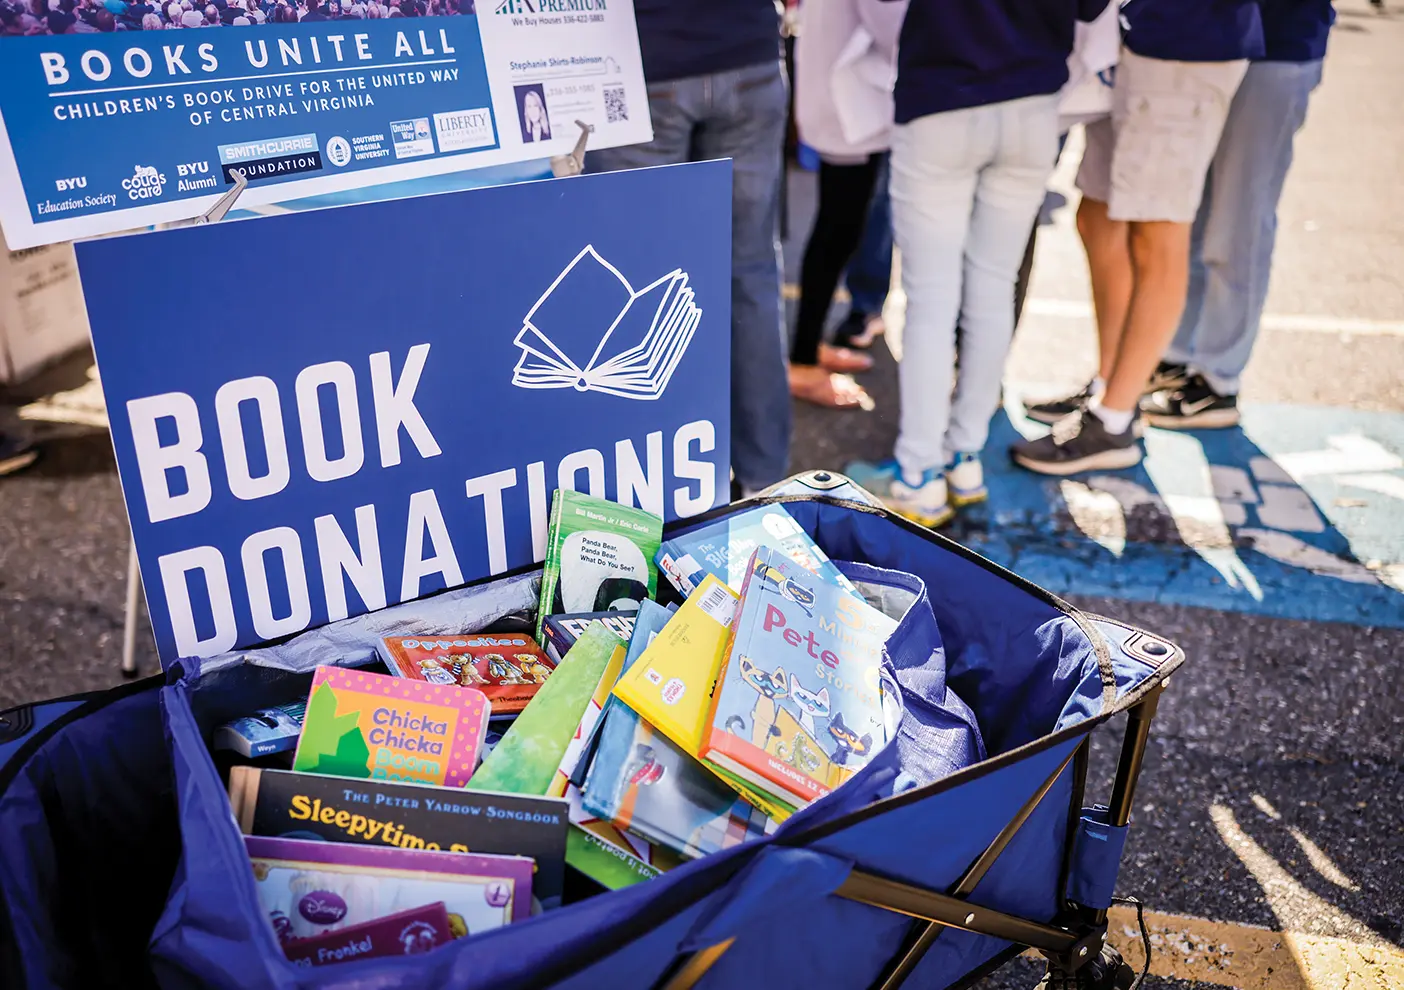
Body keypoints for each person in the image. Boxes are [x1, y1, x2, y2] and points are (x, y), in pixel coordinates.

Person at [846, 0, 1109, 526]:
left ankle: (918, 474)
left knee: (930, 300)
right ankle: (964, 459)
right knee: (991, 289)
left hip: (940, 98)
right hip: (1032, 102)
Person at [1014, 0, 1263, 474]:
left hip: (1184, 45)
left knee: (1158, 229)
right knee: (1098, 213)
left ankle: (1115, 419)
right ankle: (1111, 387)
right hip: (1132, 39)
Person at [587, 0, 791, 499]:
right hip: (746, 52)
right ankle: (767, 482)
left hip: (638, 59)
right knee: (750, 271)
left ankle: (650, 490)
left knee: (635, 283)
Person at [1140, 0, 1333, 430]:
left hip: (1274, 48)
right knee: (1190, 216)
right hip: (1214, 46)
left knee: (1239, 219)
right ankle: (1176, 357)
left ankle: (1217, 379)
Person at [787, 0, 907, 410]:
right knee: (837, 232)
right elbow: (896, 30)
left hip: (848, 102)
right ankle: (803, 359)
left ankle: (809, 347)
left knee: (839, 231)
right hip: (849, 107)